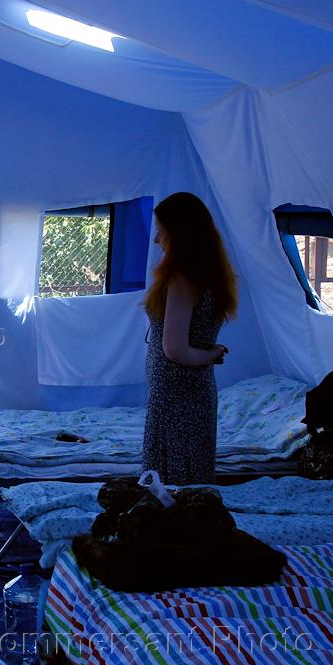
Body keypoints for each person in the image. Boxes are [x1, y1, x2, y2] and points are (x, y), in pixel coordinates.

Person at [142, 192, 238, 486]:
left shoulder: (183, 278)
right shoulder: (212, 276)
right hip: (192, 391)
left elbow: (175, 349)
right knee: (191, 471)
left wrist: (212, 354)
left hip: (176, 395)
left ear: (179, 234)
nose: (157, 240)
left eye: (161, 231)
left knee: (172, 476)